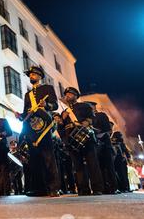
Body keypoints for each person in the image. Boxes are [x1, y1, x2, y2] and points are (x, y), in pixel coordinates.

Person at [14, 66, 60, 197]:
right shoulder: (27, 95)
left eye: (33, 74)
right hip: (31, 128)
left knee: (48, 157)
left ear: (40, 76)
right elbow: (26, 112)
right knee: (34, 158)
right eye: (30, 75)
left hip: (44, 126)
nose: (31, 76)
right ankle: (40, 188)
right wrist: (20, 116)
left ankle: (53, 187)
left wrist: (46, 105)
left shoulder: (47, 89)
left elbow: (54, 105)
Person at [60, 87, 104, 195]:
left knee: (92, 163)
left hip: (86, 138)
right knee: (78, 166)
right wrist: (61, 121)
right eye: (66, 94)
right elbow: (61, 129)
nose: (67, 96)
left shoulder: (84, 106)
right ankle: (83, 189)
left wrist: (86, 122)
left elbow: (93, 118)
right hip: (72, 140)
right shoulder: (64, 112)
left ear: (76, 96)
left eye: (70, 94)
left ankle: (97, 188)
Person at [88, 101, 119, 194]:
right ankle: (103, 187)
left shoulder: (101, 115)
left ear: (93, 107)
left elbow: (107, 129)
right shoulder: (88, 118)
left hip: (104, 143)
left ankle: (113, 187)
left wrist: (94, 131)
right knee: (98, 167)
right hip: (94, 144)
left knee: (108, 166)